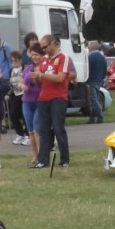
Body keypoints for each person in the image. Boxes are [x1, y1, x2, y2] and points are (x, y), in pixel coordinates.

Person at [32, 33, 75, 169]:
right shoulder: (44, 59)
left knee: (58, 128)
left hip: (58, 98)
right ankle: (43, 160)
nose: (43, 50)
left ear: (53, 44)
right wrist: (35, 77)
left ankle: (64, 159)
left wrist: (42, 75)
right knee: (43, 130)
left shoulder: (64, 57)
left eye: (45, 47)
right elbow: (40, 79)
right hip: (43, 98)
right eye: (42, 47)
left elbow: (61, 78)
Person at [21, 45, 44, 164]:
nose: (34, 57)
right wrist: (22, 86)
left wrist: (39, 75)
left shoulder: (45, 67)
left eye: (37, 54)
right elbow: (21, 81)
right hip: (27, 101)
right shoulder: (28, 68)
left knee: (36, 128)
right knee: (30, 130)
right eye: (33, 54)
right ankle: (35, 156)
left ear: (42, 55)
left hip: (39, 101)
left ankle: (41, 156)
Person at [8, 50, 28, 144]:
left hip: (24, 94)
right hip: (16, 95)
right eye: (12, 61)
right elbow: (11, 84)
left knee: (24, 116)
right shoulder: (11, 71)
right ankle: (20, 134)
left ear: (20, 60)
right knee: (13, 115)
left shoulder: (24, 68)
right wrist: (8, 94)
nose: (14, 62)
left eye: (16, 60)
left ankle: (27, 135)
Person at [86, 40, 106, 124]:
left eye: (88, 46)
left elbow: (87, 69)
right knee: (96, 99)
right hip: (99, 80)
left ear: (91, 47)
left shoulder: (90, 57)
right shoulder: (102, 57)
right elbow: (105, 69)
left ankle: (100, 116)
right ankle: (92, 117)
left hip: (91, 80)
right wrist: (102, 78)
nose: (87, 47)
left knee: (93, 100)